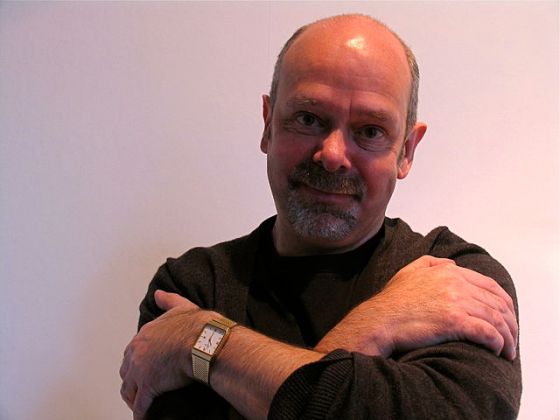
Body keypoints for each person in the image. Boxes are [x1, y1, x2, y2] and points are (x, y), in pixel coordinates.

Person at [120, 14, 521, 420]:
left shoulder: (457, 282)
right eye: (309, 119)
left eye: (370, 131)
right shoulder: (191, 288)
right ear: (268, 125)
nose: (332, 155)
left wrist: (202, 341)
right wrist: (375, 324)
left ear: (406, 151)